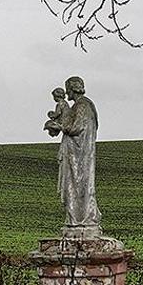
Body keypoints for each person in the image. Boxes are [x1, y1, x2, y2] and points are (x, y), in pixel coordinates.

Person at [57, 76, 102, 233]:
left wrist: (59, 126)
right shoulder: (87, 105)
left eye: (67, 88)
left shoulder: (81, 106)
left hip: (78, 155)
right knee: (81, 186)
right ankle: (81, 218)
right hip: (83, 153)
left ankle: (78, 220)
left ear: (71, 89)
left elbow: (75, 128)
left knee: (76, 186)